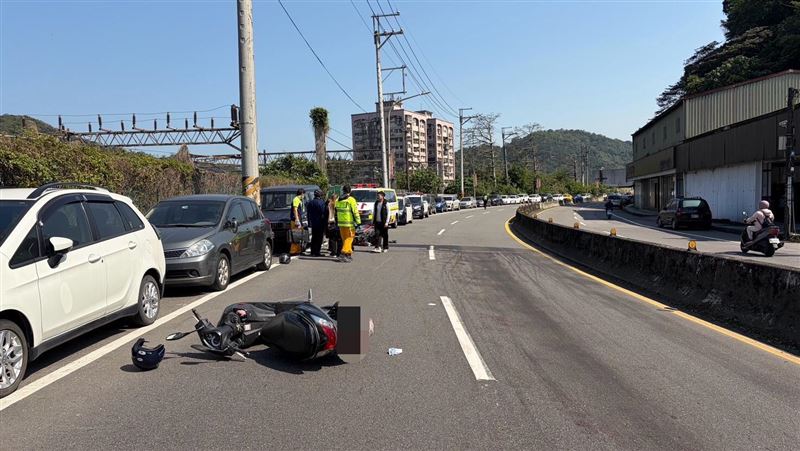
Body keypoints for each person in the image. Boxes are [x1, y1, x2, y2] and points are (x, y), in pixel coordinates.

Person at [335, 185, 360, 263]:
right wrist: (358, 221)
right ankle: (343, 253)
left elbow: (336, 210)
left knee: (345, 239)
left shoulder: (338, 199)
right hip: (349, 223)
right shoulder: (351, 199)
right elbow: (355, 211)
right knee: (350, 238)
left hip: (341, 224)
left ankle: (348, 254)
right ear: (350, 191)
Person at [306, 190, 326, 257]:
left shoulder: (310, 203)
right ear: (320, 195)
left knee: (314, 238)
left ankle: (313, 252)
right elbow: (323, 213)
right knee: (319, 238)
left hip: (313, 223)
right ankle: (317, 252)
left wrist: (309, 222)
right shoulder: (321, 203)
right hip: (320, 222)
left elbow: (308, 213)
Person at [289, 188, 306, 255]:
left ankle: (298, 250)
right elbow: (295, 210)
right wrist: (297, 219)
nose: (304, 196)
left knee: (299, 236)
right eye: (303, 194)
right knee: (295, 235)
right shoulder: (296, 199)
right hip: (295, 220)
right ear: (302, 194)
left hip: (298, 219)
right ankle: (293, 251)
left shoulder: (299, 200)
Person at [326, 193, 342, 257]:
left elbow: (327, 214)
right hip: (338, 222)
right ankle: (338, 252)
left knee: (332, 238)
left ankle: (333, 252)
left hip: (331, 222)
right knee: (338, 238)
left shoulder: (329, 205)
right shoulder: (338, 204)